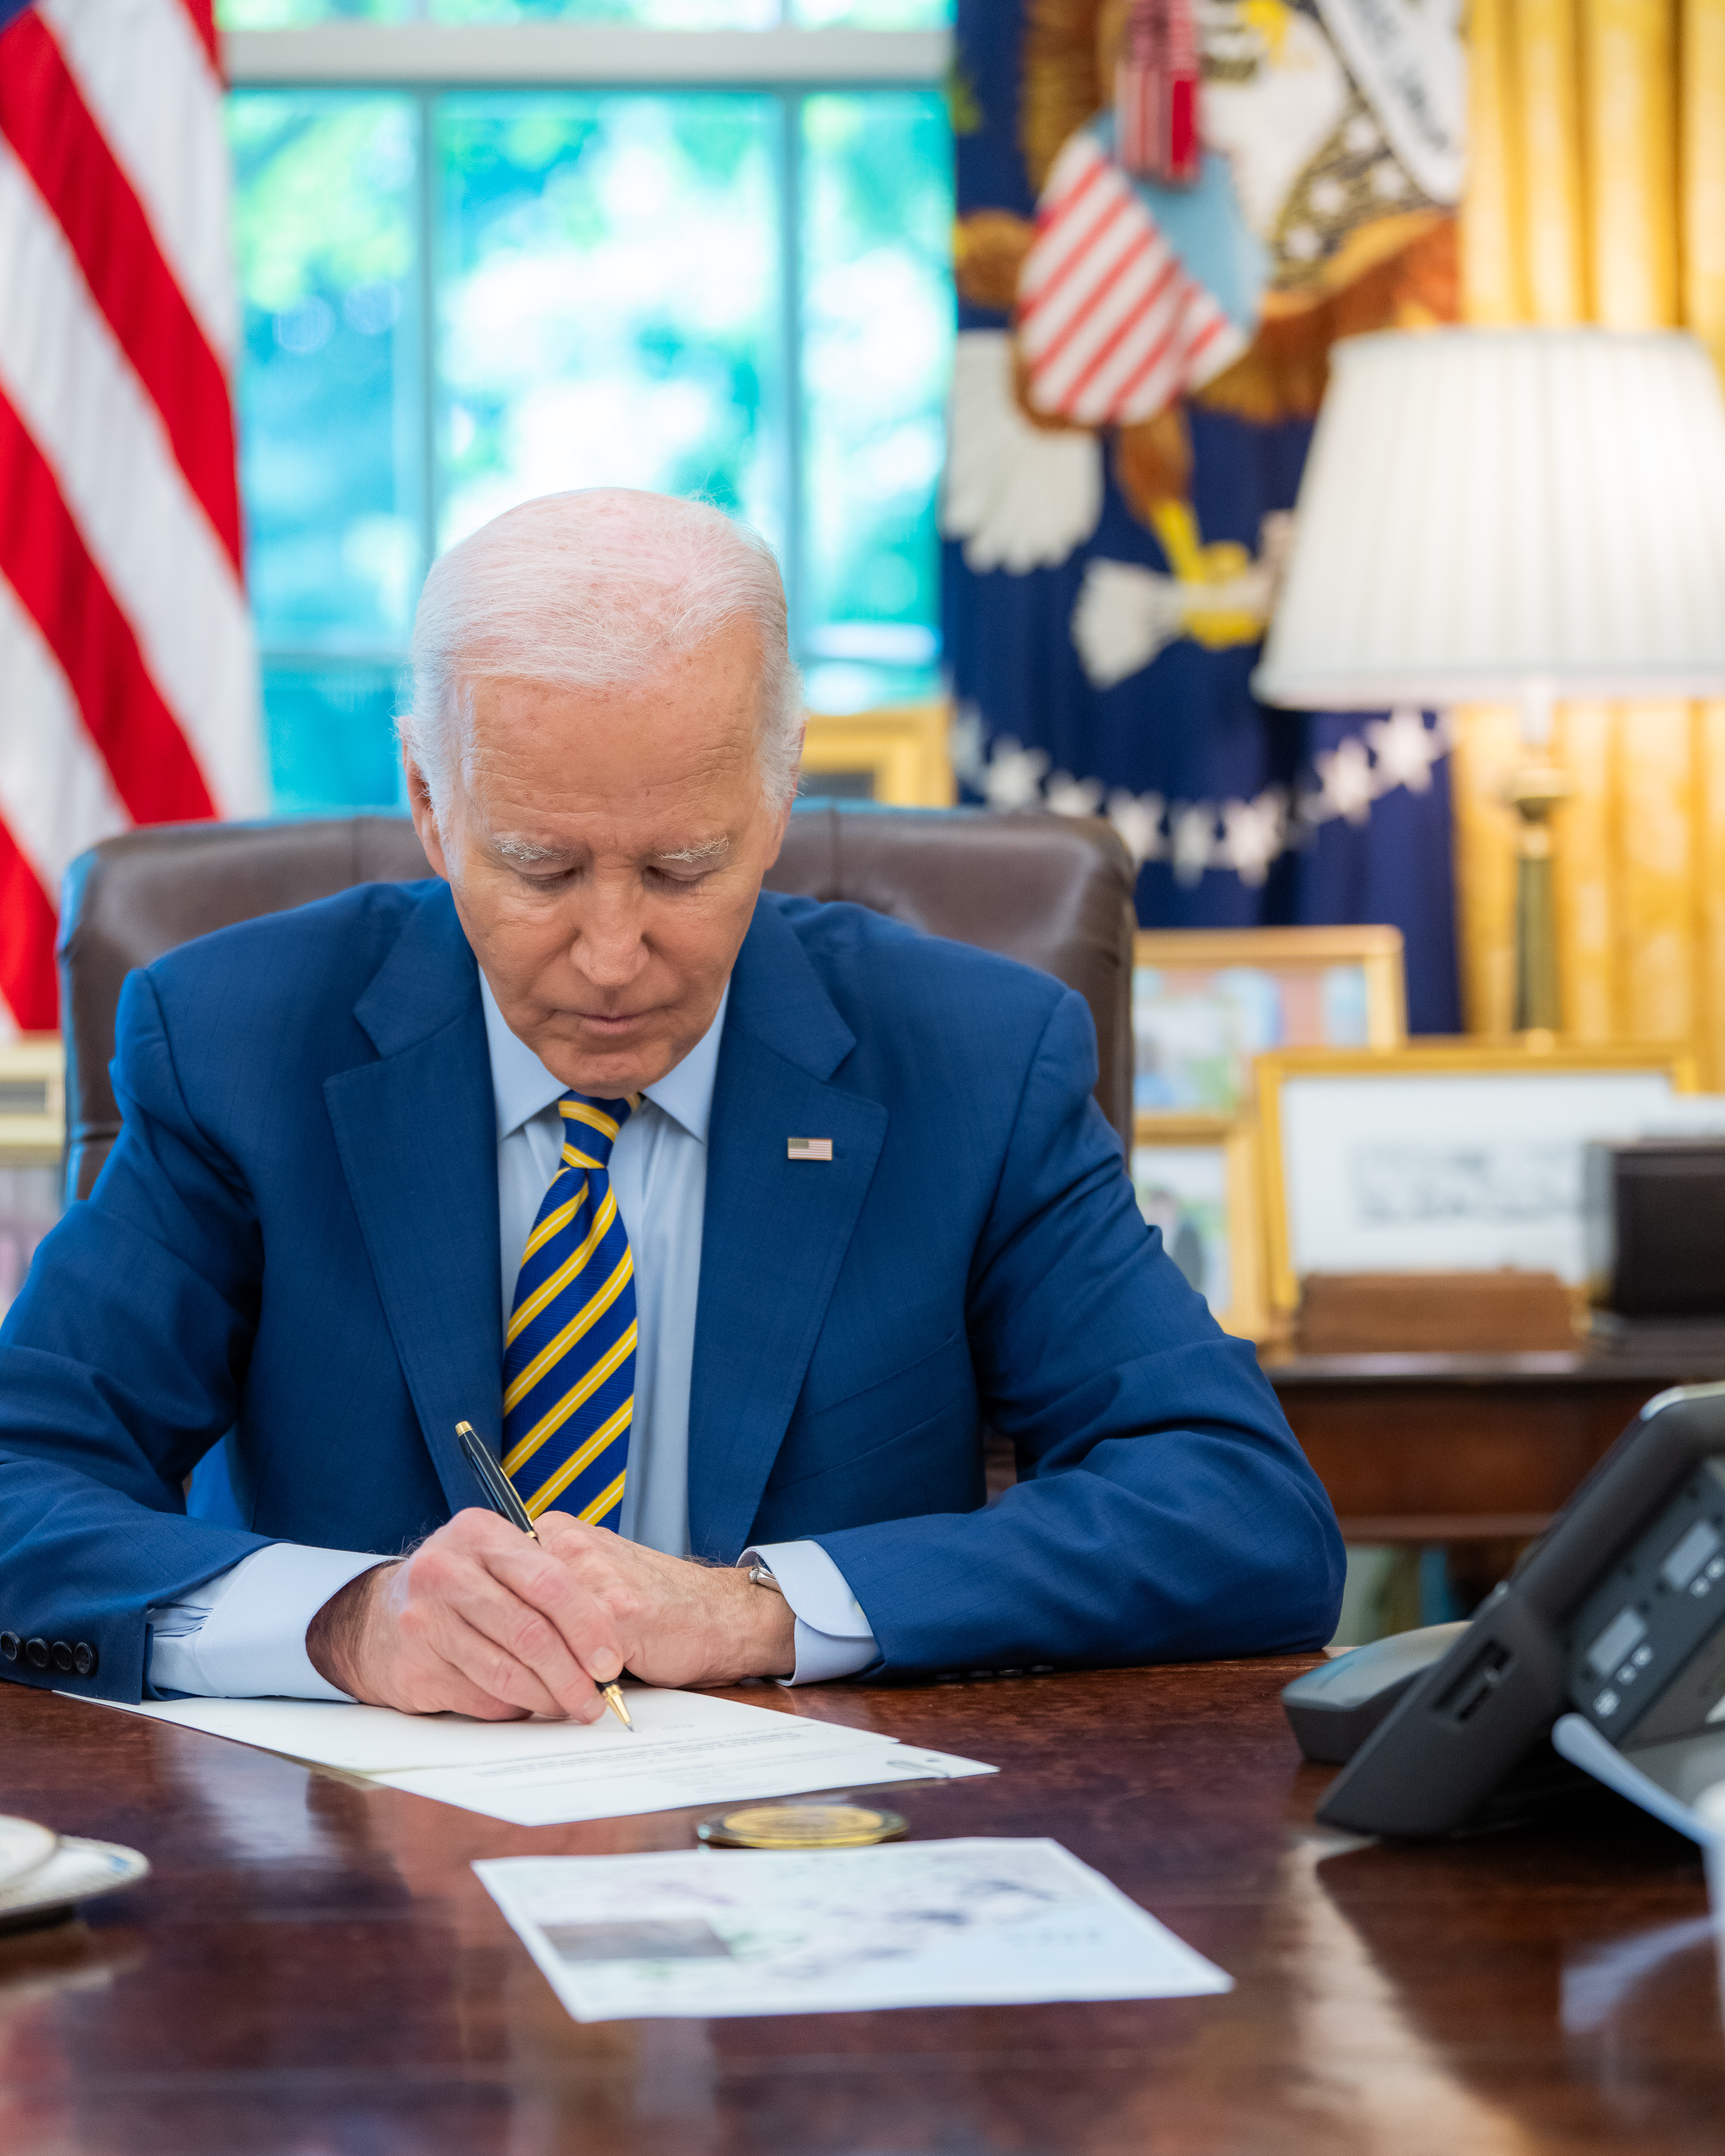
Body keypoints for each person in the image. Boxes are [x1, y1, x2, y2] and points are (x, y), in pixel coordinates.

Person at [0, 490, 1343, 1720]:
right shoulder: (240, 1046)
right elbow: (20, 1482)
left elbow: (1240, 1512)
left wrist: (758, 1611)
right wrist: (345, 1624)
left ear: (777, 800)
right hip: (356, 1871)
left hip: (818, 1866)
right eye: (539, 866)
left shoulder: (975, 1062)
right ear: (426, 799)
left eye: (683, 867)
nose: (610, 955)